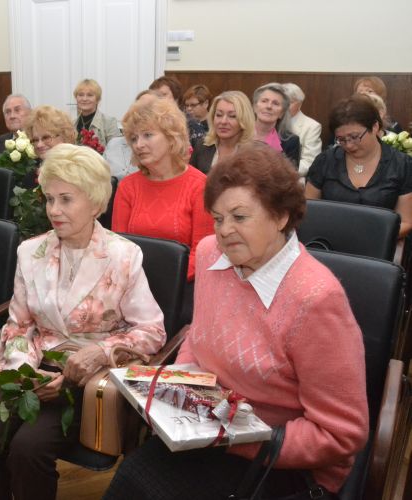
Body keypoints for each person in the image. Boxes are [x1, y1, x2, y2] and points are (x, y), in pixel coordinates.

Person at [105, 143, 368, 500]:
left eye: (239, 217)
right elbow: (198, 338)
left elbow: (342, 435)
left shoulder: (316, 299)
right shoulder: (211, 254)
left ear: (281, 216)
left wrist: (235, 437)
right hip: (206, 430)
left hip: (278, 459)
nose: (224, 230)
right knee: (132, 478)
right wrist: (180, 391)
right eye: (218, 218)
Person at [0, 143, 166, 500]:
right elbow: (18, 325)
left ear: (95, 203)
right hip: (30, 365)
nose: (54, 210)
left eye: (66, 199)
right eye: (49, 199)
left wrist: (101, 352)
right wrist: (25, 372)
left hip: (84, 377)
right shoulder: (31, 251)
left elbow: (152, 331)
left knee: (27, 449)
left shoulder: (123, 256)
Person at [112, 97, 213, 284]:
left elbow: (202, 252)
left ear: (171, 136)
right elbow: (119, 248)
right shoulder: (128, 187)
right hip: (133, 285)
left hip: (182, 286)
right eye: (134, 138)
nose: (139, 144)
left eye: (147, 135)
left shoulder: (199, 186)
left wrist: (166, 282)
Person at [306, 95, 412, 238]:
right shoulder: (325, 161)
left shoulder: (401, 165)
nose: (349, 145)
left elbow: (405, 222)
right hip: (329, 240)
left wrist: (365, 238)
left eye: (355, 137)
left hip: (379, 242)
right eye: (341, 139)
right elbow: (308, 210)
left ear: (375, 127)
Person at [190, 90, 255, 174]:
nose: (223, 121)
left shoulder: (254, 153)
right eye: (219, 115)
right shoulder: (202, 146)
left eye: (232, 116)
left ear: (244, 119)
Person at [23, 105, 78, 188]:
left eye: (46, 137)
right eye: (35, 140)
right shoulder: (31, 178)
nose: (39, 145)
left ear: (64, 135)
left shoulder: (79, 170)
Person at [252, 83, 301, 167]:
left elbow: (290, 174)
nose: (269, 106)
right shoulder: (239, 133)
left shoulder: (291, 142)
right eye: (264, 101)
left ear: (282, 113)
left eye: (275, 103)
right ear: (255, 107)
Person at [282, 82, 322, 179]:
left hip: (293, 177)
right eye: (282, 102)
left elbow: (310, 161)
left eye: (290, 102)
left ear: (300, 104)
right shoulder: (271, 122)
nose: (285, 106)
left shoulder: (312, 126)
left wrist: (283, 172)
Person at [73, 78, 121, 147]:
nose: (84, 99)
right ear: (76, 98)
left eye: (90, 95)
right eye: (81, 95)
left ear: (97, 99)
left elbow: (116, 150)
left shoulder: (109, 123)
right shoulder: (71, 125)